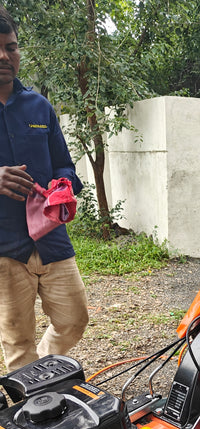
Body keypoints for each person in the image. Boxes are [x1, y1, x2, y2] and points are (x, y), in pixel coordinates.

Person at [0, 5, 88, 373]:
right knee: (16, 339)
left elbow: (64, 163)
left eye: (11, 47)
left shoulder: (39, 106)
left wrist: (63, 184)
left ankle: (41, 370)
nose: (4, 56)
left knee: (74, 318)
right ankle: (32, 399)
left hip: (52, 240)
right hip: (5, 247)